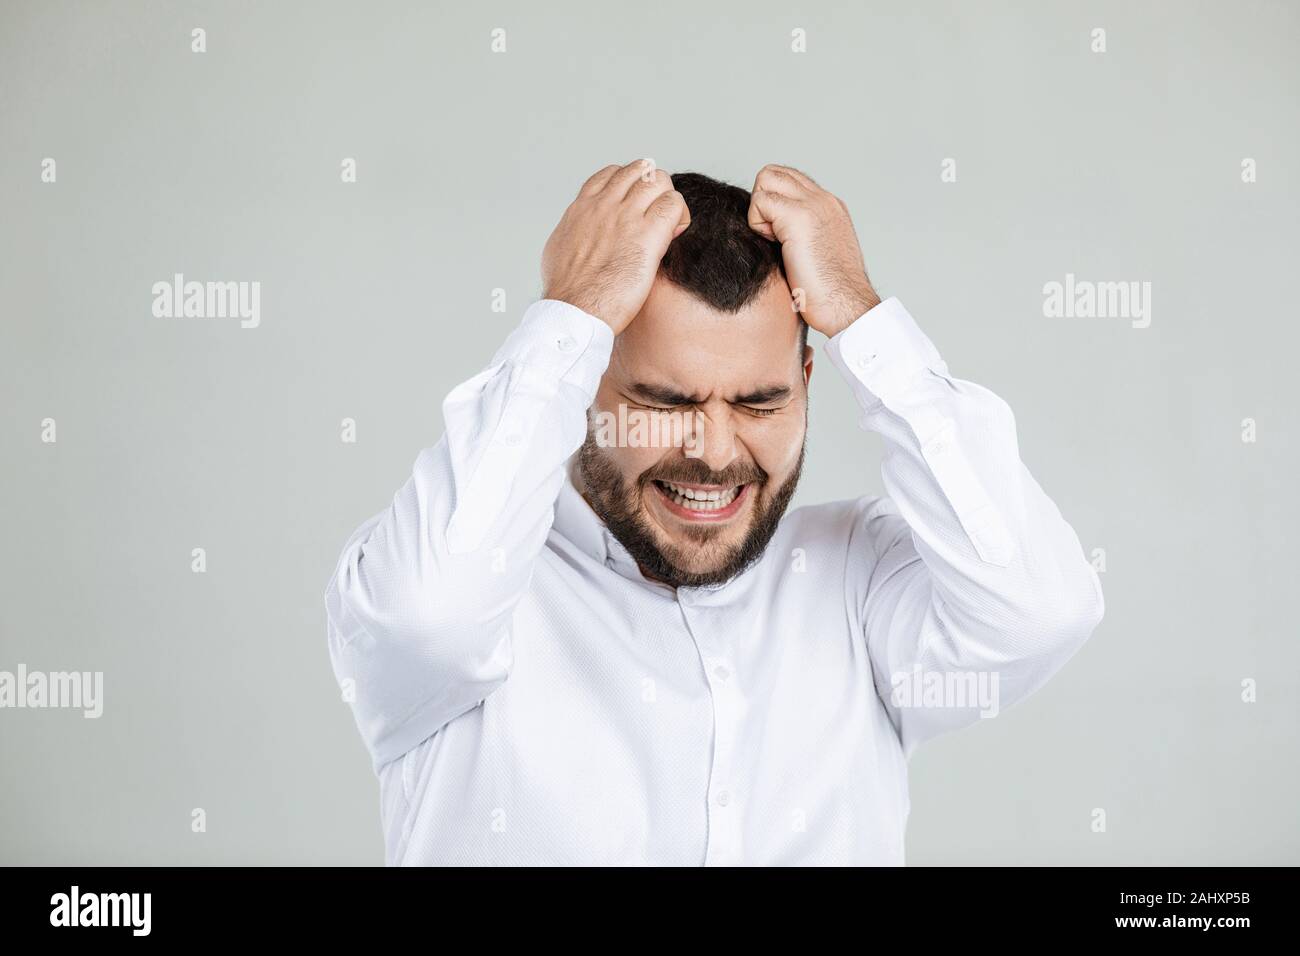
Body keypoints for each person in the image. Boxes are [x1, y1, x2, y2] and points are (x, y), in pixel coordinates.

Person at [325, 161, 1105, 865]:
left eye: (760, 402)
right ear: (581, 384)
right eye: (664, 402)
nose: (715, 451)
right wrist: (571, 313)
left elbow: (1041, 610)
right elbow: (428, 616)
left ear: (807, 379)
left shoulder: (860, 583)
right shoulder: (464, 589)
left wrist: (864, 321)